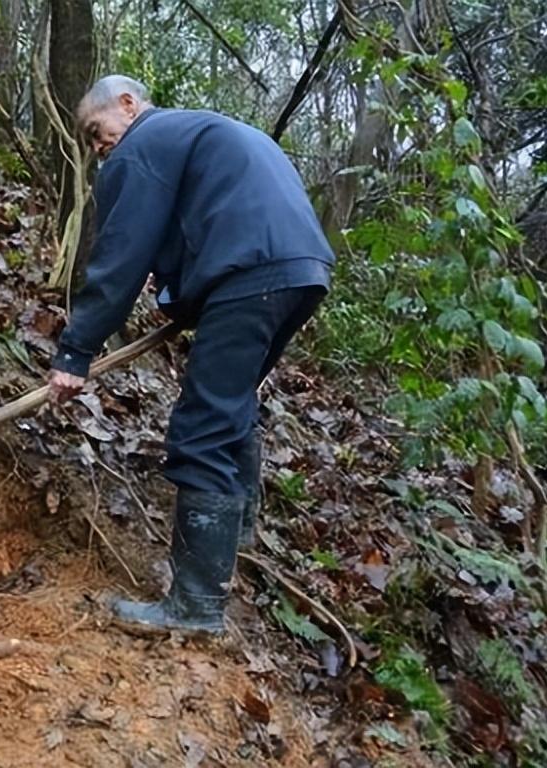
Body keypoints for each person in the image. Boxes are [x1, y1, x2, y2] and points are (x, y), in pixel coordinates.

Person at [47, 75, 335, 634]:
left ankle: (195, 606)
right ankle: (237, 541)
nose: (97, 147)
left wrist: (75, 351)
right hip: (300, 272)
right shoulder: (197, 134)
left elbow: (121, 254)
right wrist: (182, 299)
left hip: (251, 274)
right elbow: (204, 227)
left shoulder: (143, 145)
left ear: (128, 105)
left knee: (201, 428)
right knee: (229, 405)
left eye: (96, 131)